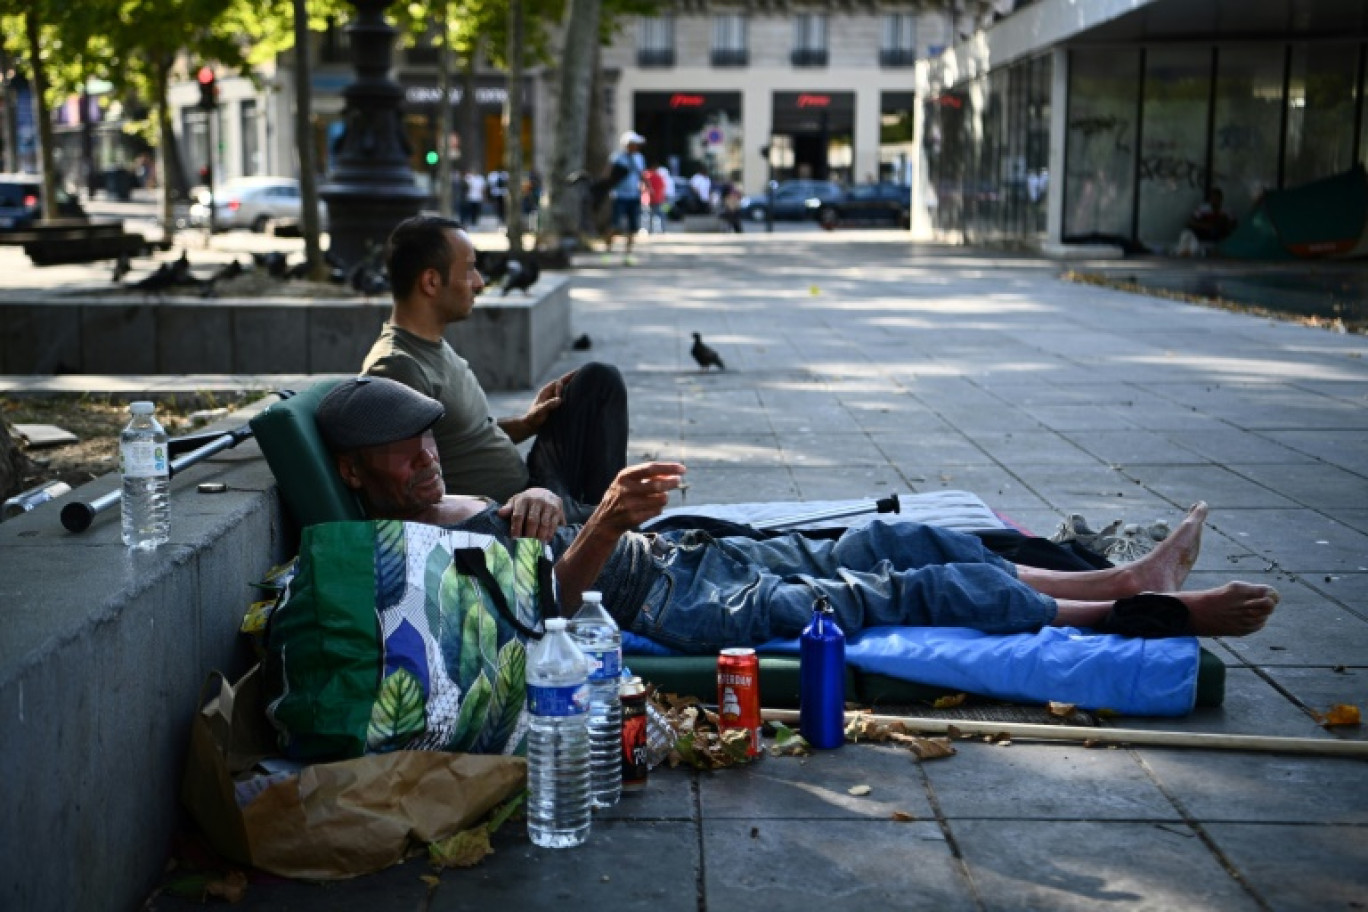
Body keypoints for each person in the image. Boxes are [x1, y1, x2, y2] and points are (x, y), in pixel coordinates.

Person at [315, 377, 1281, 655]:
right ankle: (1141, 615)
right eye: (407, 449)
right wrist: (601, 519)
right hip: (671, 613)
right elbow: (552, 612)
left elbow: (540, 523)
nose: (428, 453)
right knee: (894, 587)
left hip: (679, 557)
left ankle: (1112, 576)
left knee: (892, 534)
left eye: (429, 436)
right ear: (357, 475)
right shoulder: (407, 548)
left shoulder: (440, 494)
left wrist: (549, 495)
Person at [360, 216, 628, 523]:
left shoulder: (431, 344)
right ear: (431, 282)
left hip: (533, 485)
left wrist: (526, 424)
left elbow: (461, 438)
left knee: (597, 382)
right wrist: (508, 508)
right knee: (622, 512)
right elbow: (410, 493)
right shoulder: (397, 368)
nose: (479, 282)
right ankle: (603, 528)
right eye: (469, 269)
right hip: (511, 513)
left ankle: (599, 528)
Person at [604, 131, 647, 264]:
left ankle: (628, 256)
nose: (636, 147)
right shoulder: (617, 157)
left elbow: (642, 174)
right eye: (634, 144)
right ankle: (608, 252)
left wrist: (645, 187)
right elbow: (608, 175)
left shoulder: (639, 158)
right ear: (627, 145)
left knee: (632, 228)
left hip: (634, 196)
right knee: (615, 225)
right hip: (619, 196)